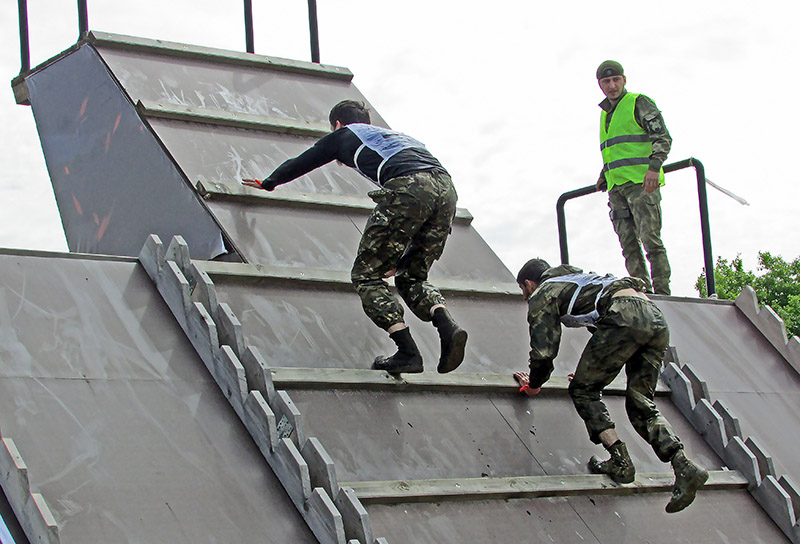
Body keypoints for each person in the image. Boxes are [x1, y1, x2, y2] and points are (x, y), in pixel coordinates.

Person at [242, 100, 467, 375]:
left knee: (366, 275)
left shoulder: (345, 134)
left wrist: (270, 182)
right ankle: (446, 324)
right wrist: (401, 253)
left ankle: (408, 352)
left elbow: (305, 160)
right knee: (412, 275)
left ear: (337, 124)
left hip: (410, 187)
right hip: (447, 191)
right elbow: (426, 196)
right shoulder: (396, 136)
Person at [512, 257, 708, 513]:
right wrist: (595, 371)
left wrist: (535, 384)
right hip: (653, 316)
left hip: (623, 315)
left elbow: (543, 352)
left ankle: (621, 461)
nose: (525, 297)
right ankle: (683, 464)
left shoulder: (543, 293)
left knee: (583, 390)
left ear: (529, 283)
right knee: (641, 402)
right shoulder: (578, 279)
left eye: (523, 290)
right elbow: (609, 326)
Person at [595, 60, 672, 295]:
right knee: (628, 245)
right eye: (606, 81)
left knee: (650, 240)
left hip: (641, 184)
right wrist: (604, 174)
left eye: (616, 79)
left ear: (624, 80)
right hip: (617, 187)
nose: (612, 85)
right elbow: (617, 149)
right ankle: (641, 291)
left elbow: (663, 138)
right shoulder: (606, 114)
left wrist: (653, 168)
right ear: (600, 84)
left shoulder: (638, 102)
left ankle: (662, 292)